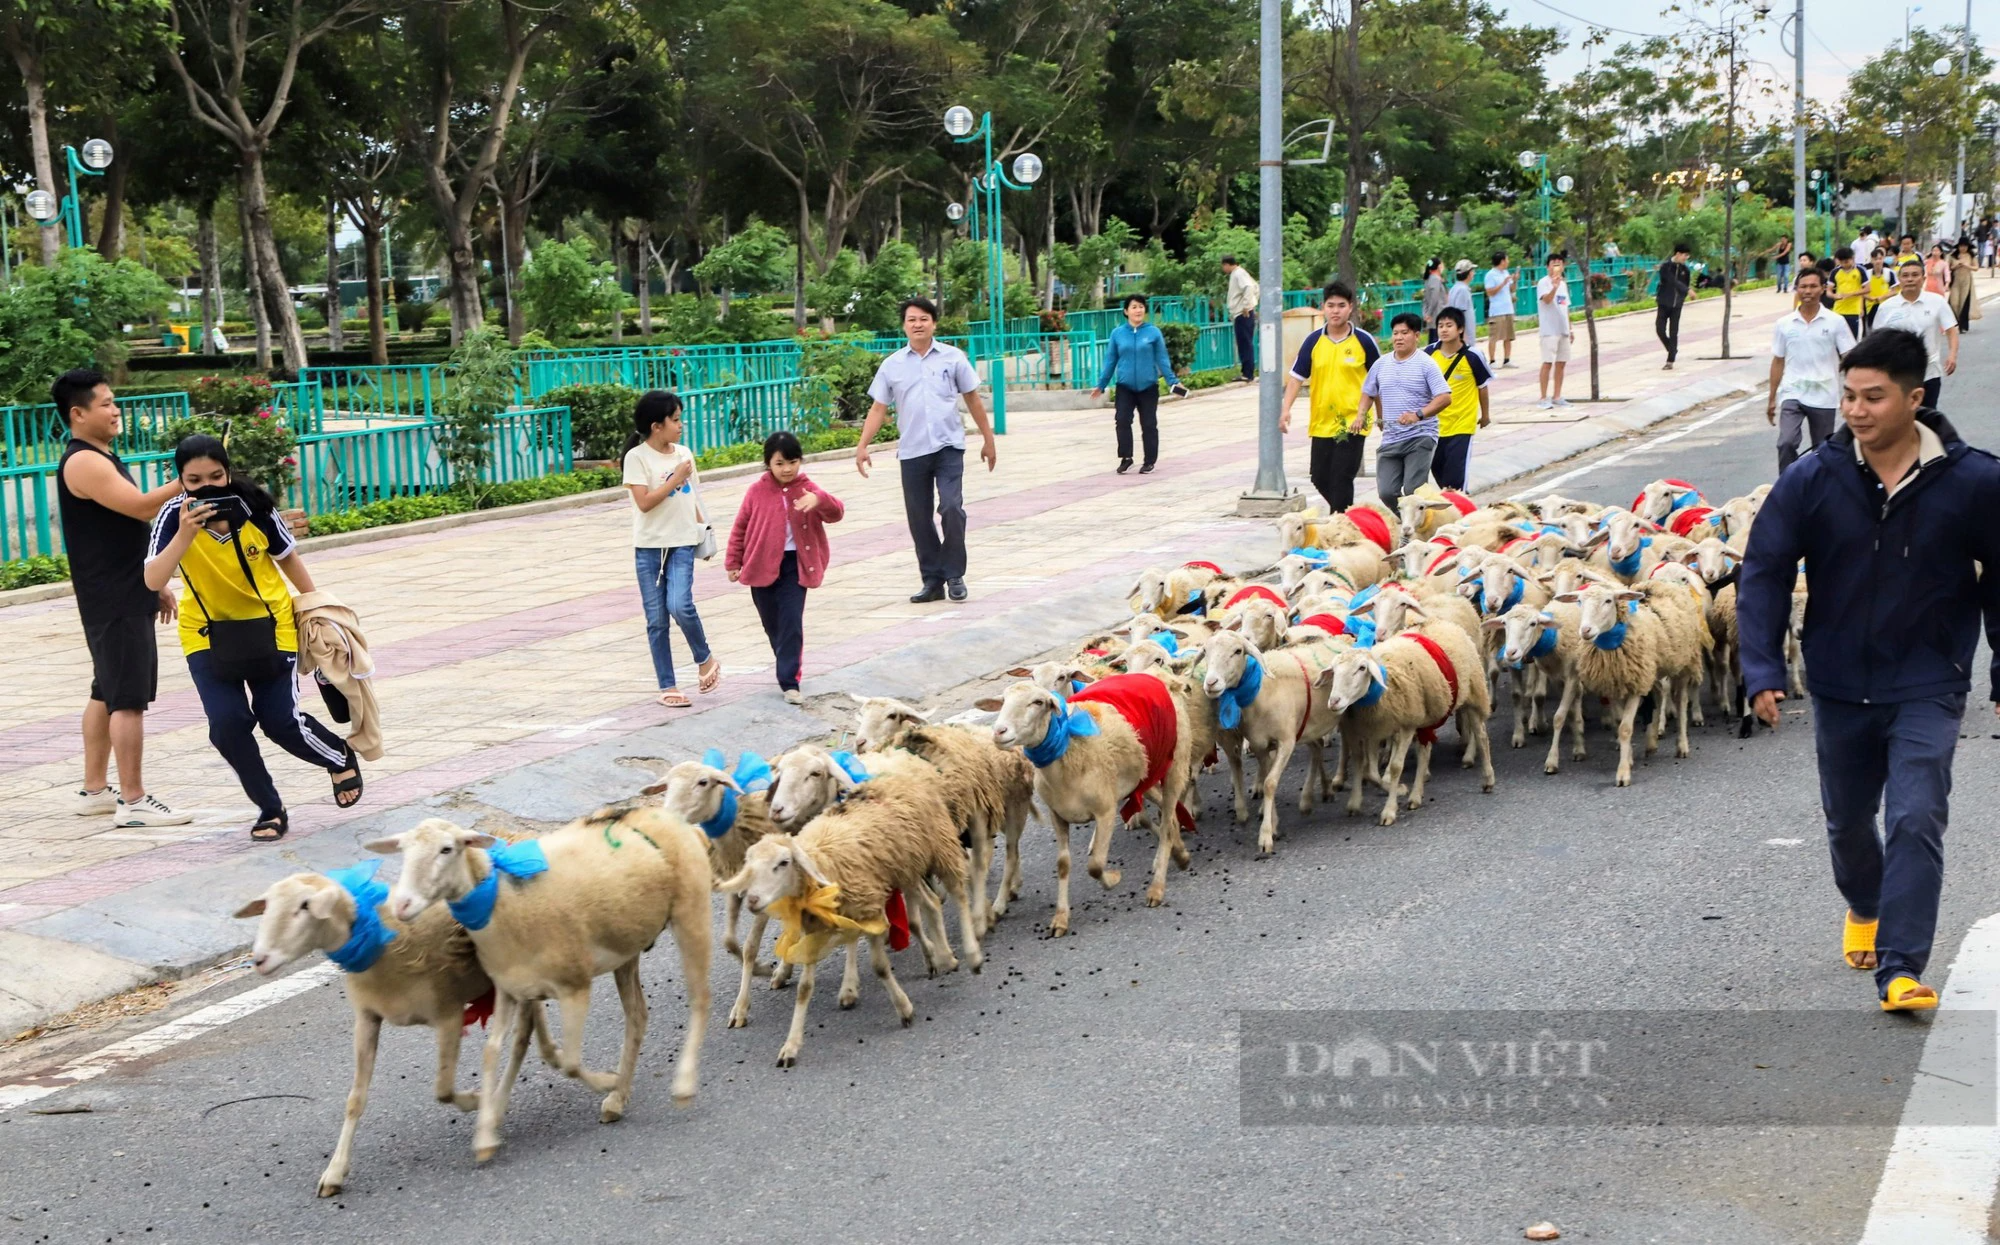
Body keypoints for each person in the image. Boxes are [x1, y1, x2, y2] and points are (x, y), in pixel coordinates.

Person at [1738, 327, 2000, 1013]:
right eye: (1849, 395)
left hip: (1929, 679)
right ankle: (1864, 900)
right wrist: (1762, 665)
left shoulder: (1974, 481)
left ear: (1915, 398)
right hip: (1838, 679)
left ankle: (1902, 967)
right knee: (1849, 820)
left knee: (1917, 816)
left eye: (1873, 397)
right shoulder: (1813, 478)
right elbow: (1764, 569)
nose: (1855, 410)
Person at [144, 435, 359, 842]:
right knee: (226, 725)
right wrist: (185, 534)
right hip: (206, 632)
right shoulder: (173, 516)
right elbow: (152, 578)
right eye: (194, 479)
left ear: (228, 471)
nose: (207, 486)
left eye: (216, 475)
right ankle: (269, 807)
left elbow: (288, 559)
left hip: (271, 626)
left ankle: (338, 755)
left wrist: (316, 609)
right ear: (180, 479)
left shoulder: (254, 507)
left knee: (280, 721)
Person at [53, 368, 191, 828]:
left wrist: (155, 581)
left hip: (118, 589)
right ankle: (133, 800)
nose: (116, 410)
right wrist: (190, 481)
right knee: (128, 698)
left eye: (115, 402)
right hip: (113, 597)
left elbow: (123, 529)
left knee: (106, 690)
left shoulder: (98, 456)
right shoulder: (85, 461)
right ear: (78, 413)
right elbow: (139, 507)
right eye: (106, 403)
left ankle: (95, 791)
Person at [856, 297, 996, 604]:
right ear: (904, 325)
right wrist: (863, 445)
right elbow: (879, 407)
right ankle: (932, 581)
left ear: (934, 322)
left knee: (951, 508)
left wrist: (988, 439)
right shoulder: (892, 365)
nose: (917, 324)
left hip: (949, 447)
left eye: (923, 319)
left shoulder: (952, 358)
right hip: (912, 451)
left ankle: (955, 573)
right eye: (911, 319)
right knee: (919, 518)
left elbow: (973, 398)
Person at [725, 431, 845, 706]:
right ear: (769, 464)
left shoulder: (809, 489)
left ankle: (790, 681)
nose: (787, 469)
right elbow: (740, 527)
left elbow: (836, 512)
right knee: (773, 624)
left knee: (791, 621)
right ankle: (785, 661)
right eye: (779, 463)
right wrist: (734, 561)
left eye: (792, 462)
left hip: (795, 566)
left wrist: (820, 500)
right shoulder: (756, 491)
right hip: (761, 566)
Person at [623, 390, 720, 709]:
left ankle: (704, 657)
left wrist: (702, 533)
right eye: (675, 420)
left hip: (681, 543)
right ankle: (668, 685)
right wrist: (675, 478)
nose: (681, 425)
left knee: (680, 605)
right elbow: (645, 503)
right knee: (656, 619)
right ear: (656, 426)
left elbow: (692, 497)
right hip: (649, 547)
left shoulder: (684, 454)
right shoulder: (636, 458)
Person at [1280, 281, 1381, 512]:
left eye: (1341, 305)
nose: (1335, 311)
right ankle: (1349, 516)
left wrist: (1382, 416)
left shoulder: (1364, 341)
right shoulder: (1313, 341)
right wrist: (1285, 410)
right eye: (1331, 305)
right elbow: (1296, 377)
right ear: (1323, 307)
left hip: (1354, 421)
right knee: (1319, 476)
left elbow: (1379, 382)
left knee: (1341, 477)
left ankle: (1340, 524)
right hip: (1322, 422)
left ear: (1351, 308)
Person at [1359, 312, 1453, 506]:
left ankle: (1416, 529)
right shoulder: (1381, 364)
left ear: (1416, 336)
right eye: (1395, 333)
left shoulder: (1426, 364)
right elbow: (1368, 392)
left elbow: (1445, 397)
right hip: (1391, 438)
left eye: (1404, 333)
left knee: (1413, 490)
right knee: (1386, 492)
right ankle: (1411, 524)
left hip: (1420, 435)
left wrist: (1418, 415)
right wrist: (1361, 415)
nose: (1399, 338)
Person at [1766, 268, 1855, 473]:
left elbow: (1849, 358)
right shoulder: (1784, 324)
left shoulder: (1835, 322)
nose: (1808, 291)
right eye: (1803, 286)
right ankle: (1788, 489)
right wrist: (1772, 398)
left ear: (1823, 289)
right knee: (1785, 443)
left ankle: (1820, 491)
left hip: (1824, 394)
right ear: (1796, 289)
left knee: (1823, 451)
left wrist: (1851, 394)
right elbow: (1778, 360)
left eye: (1813, 286)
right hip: (1792, 391)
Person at [1091, 294, 1189, 475]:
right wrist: (1101, 384)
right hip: (1125, 386)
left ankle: (1149, 461)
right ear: (1126, 311)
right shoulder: (1117, 334)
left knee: (1149, 423)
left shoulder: (1153, 333)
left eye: (1141, 307)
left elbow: (1162, 359)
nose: (1138, 310)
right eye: (1134, 307)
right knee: (1122, 420)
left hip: (1148, 387)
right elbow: (1110, 361)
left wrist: (1173, 382)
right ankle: (1126, 458)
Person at [1872, 255, 1958, 409]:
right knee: (1899, 420)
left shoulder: (1937, 302)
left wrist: (1952, 355)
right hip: (1897, 375)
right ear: (1899, 279)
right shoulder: (1886, 307)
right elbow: (1877, 341)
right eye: (1905, 276)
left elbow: (1951, 329)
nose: (1910, 279)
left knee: (1927, 418)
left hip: (1929, 373)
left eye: (1915, 275)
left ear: (1923, 278)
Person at [1423, 306, 1492, 490]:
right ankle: (1460, 504)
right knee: (1439, 474)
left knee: (1455, 480)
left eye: (1449, 325)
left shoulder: (1473, 356)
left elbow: (1482, 387)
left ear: (1460, 329)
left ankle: (1460, 508)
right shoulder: (1428, 354)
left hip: (1462, 425)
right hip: (1434, 427)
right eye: (1440, 325)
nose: (1444, 330)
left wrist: (1485, 415)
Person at [1535, 254, 1573, 409]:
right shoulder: (1543, 283)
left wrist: (1570, 328)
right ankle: (1543, 397)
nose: (1556, 266)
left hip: (1562, 329)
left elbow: (1566, 307)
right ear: (1548, 266)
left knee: (1561, 363)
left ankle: (1557, 395)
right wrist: (1554, 287)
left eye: (1559, 263)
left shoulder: (1563, 284)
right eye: (1553, 263)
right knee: (1547, 363)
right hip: (1549, 330)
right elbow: (1546, 300)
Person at [1221, 255, 1259, 383]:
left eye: (1223, 266)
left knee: (1245, 343)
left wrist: (1247, 306)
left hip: (1242, 313)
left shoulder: (1238, 274)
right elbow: (1255, 287)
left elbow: (1249, 287)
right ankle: (1247, 371)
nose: (1223, 269)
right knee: (1244, 342)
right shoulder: (1240, 273)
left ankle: (1247, 373)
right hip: (1241, 312)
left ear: (1227, 264)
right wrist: (1253, 303)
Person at [1655, 242, 1692, 370]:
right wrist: (1687, 290)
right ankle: (1672, 349)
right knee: (1660, 329)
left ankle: (1670, 360)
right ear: (1678, 254)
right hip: (1664, 303)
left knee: (1674, 331)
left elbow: (1685, 284)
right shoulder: (1666, 267)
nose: (1686, 258)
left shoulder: (1685, 270)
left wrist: (1683, 296)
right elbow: (1672, 281)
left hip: (1677, 305)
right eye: (1685, 255)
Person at [1483, 251, 1518, 367]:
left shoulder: (1506, 273)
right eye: (1507, 259)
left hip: (1508, 309)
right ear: (1502, 261)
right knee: (1494, 336)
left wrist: (1515, 280)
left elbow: (1512, 289)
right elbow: (1490, 292)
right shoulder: (1490, 275)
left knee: (1508, 336)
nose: (1508, 262)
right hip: (1497, 310)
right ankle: (1492, 360)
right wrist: (1503, 283)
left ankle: (1507, 359)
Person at [1947, 239, 1979, 333]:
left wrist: (1967, 265)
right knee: (1954, 303)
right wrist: (1956, 266)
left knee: (1963, 303)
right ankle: (1954, 322)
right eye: (1961, 246)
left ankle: (1963, 326)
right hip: (1956, 281)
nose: (1963, 248)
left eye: (1965, 246)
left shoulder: (1971, 256)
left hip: (1966, 281)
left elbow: (1976, 268)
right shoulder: (1953, 256)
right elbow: (1948, 267)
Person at [1444, 259, 1479, 343]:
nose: (1474, 273)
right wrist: (1462, 336)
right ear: (1469, 273)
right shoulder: (1463, 290)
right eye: (1472, 271)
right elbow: (1459, 314)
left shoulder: (1455, 288)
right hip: (1464, 339)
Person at [1862, 249, 1893, 335]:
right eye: (1875, 259)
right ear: (1871, 260)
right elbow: (1861, 292)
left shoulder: (1889, 273)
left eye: (1880, 258)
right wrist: (1869, 298)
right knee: (1872, 330)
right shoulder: (1866, 274)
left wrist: (1883, 297)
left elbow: (1896, 291)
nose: (1878, 261)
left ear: (1883, 258)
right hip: (1871, 307)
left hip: (1886, 305)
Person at [1419, 258, 1446, 346]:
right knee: (1436, 342)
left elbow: (1425, 299)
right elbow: (1434, 298)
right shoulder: (1435, 279)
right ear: (1438, 267)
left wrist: (1425, 313)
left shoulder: (1428, 279)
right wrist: (1429, 314)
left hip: (1431, 316)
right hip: (1437, 314)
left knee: (1432, 340)